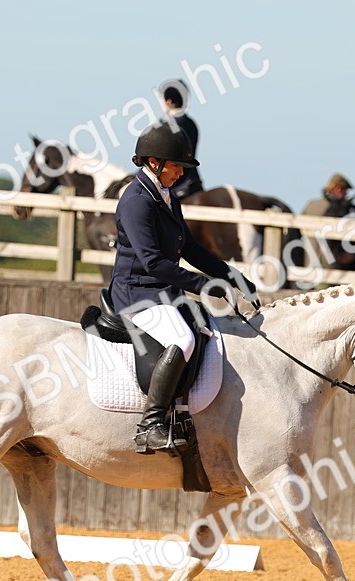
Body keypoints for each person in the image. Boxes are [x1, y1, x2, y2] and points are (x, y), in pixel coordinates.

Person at [109, 122, 258, 454]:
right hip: (138, 293)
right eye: (176, 166)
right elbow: (153, 262)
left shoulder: (166, 195)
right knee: (183, 338)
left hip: (162, 290)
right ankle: (151, 424)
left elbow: (188, 247)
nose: (180, 173)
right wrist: (204, 285)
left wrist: (229, 273)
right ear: (153, 162)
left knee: (209, 328)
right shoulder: (136, 201)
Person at [300, 173, 355, 271]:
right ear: (339, 189)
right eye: (345, 190)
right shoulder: (350, 210)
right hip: (334, 267)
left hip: (309, 264)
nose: (346, 194)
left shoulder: (311, 205)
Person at [159, 80, 203, 200]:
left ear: (168, 101)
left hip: (176, 183)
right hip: (193, 180)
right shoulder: (191, 123)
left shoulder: (167, 127)